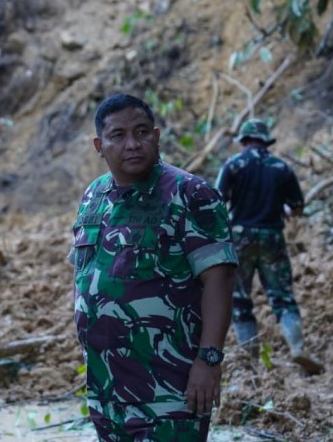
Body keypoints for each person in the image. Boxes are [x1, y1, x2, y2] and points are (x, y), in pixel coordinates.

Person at [70, 93, 238, 442]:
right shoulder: (94, 196)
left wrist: (209, 360)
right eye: (118, 135)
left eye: (142, 132)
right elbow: (85, 276)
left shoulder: (190, 194)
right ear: (100, 145)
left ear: (157, 136)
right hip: (107, 387)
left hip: (167, 388)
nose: (132, 144)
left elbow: (218, 279)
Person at [216, 119, 324, 375]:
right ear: (266, 141)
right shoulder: (282, 168)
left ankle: (250, 362)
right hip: (272, 237)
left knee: (240, 301)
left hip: (240, 238)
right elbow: (297, 205)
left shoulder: (233, 165)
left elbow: (217, 201)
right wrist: (285, 209)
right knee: (282, 297)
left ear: (243, 141)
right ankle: (297, 347)